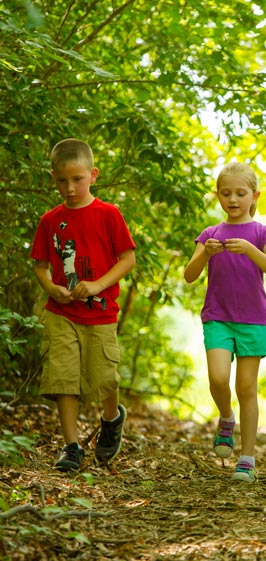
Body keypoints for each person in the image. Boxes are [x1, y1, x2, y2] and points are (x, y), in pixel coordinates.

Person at [31, 138, 136, 472]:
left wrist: (98, 285)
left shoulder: (108, 214)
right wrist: (51, 287)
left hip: (100, 314)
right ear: (53, 179)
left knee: (103, 378)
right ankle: (72, 447)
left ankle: (111, 418)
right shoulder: (51, 220)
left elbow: (128, 259)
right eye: (62, 180)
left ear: (93, 175)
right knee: (63, 377)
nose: (70, 187)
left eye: (77, 179)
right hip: (61, 313)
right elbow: (41, 265)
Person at [184, 161, 266, 483]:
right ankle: (226, 418)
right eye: (226, 193)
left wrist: (252, 251)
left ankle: (248, 457)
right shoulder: (210, 234)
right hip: (218, 318)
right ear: (217, 196)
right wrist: (205, 255)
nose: (233, 199)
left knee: (247, 388)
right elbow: (189, 275)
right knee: (217, 377)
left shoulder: (262, 233)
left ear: (254, 196)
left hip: (253, 321)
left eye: (240, 193)